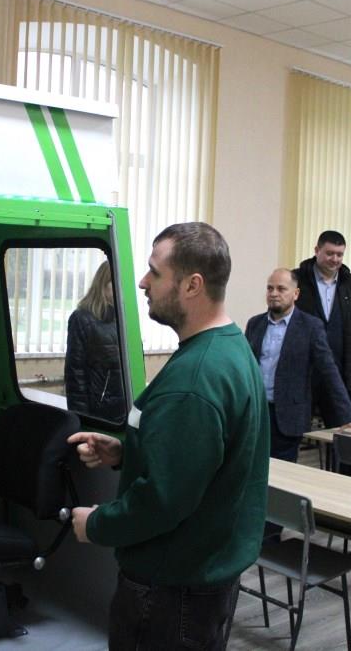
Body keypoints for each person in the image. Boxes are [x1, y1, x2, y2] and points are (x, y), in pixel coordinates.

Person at [67, 222, 269, 650]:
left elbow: (164, 501)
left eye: (155, 272)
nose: (143, 282)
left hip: (170, 593)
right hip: (204, 577)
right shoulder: (229, 349)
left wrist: (97, 524)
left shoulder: (195, 379)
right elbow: (201, 460)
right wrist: (128, 452)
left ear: (192, 285)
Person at [245, 267, 351, 463]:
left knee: (282, 473)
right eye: (270, 288)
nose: (274, 294)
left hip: (288, 415)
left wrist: (348, 416)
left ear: (296, 294)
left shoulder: (310, 326)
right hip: (257, 413)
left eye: (281, 289)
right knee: (252, 467)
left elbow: (329, 371)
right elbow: (246, 367)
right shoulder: (255, 324)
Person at [294, 230, 351, 407]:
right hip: (303, 375)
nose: (335, 259)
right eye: (330, 253)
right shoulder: (296, 281)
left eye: (339, 254)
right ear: (317, 250)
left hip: (344, 376)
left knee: (345, 422)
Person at [64, 262, 126, 422]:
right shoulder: (82, 319)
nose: (121, 289)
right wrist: (82, 419)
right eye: (115, 283)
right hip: (98, 414)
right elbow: (75, 375)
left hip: (123, 412)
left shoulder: (126, 320)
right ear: (102, 285)